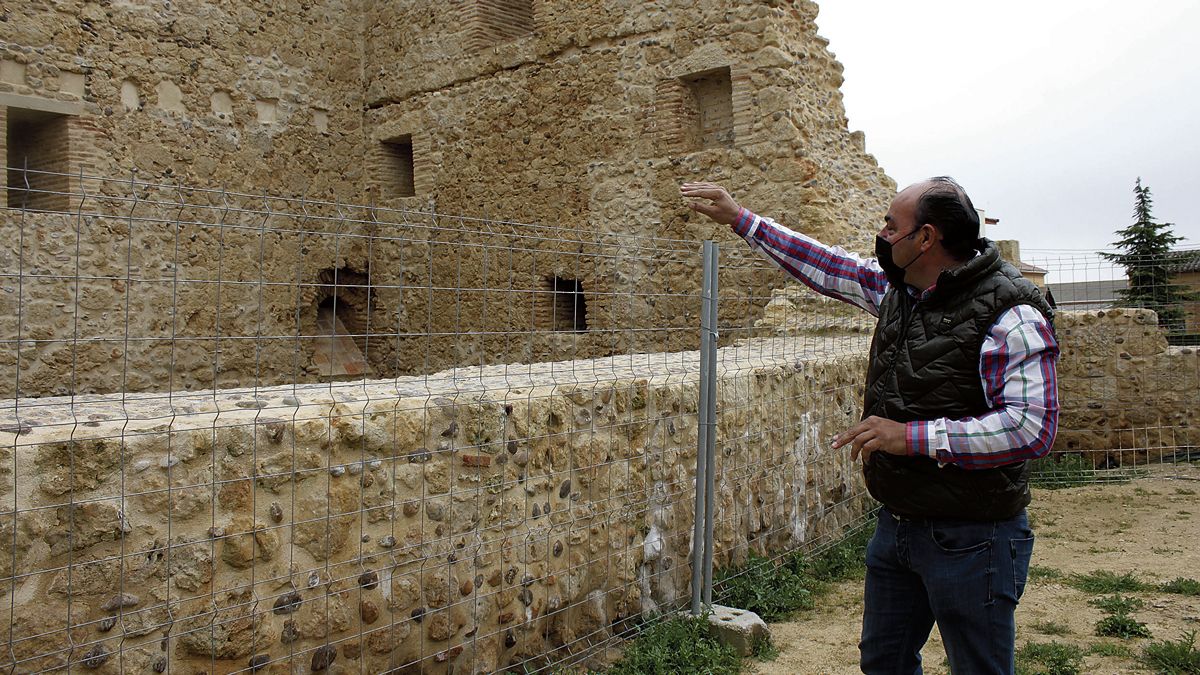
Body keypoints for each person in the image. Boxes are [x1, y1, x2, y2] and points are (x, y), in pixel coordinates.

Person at [680, 178, 1058, 675]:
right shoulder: (902, 291)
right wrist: (741, 220)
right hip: (899, 523)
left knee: (979, 667)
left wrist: (911, 437)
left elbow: (1031, 428)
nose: (881, 235)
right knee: (883, 661)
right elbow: (830, 267)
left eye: (891, 226)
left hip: (975, 534)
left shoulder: (1012, 312)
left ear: (926, 238)